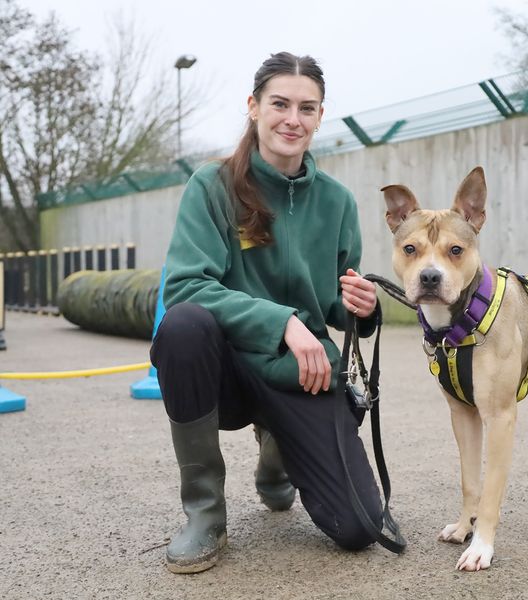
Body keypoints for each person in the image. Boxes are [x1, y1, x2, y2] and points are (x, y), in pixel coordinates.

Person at [150, 51, 383, 574]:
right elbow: (186, 288)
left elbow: (333, 304)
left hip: (300, 371)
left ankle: (277, 452)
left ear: (321, 116)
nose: (292, 119)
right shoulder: (211, 186)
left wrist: (361, 310)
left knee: (360, 527)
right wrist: (281, 322)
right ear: (253, 106)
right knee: (184, 327)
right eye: (279, 104)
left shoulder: (338, 203)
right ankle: (205, 512)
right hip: (226, 368)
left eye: (307, 107)